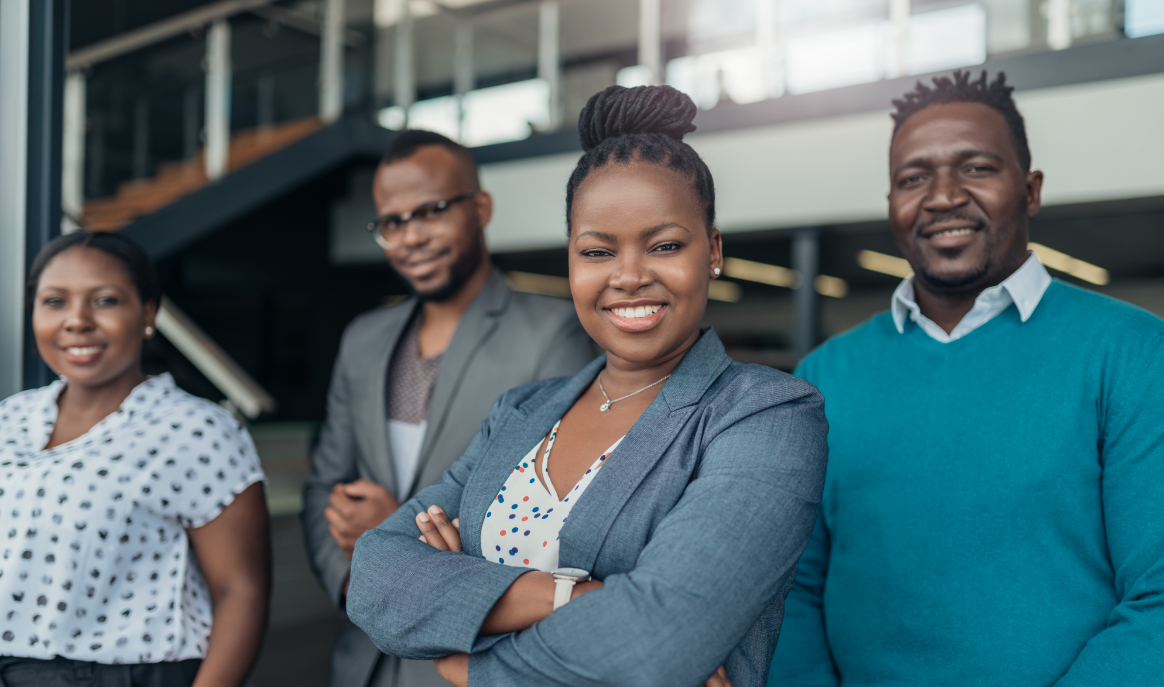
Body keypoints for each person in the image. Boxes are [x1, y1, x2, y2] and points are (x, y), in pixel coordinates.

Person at [345, 85, 829, 687]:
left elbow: (658, 641)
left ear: (714, 252)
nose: (628, 276)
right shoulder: (520, 413)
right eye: (597, 250)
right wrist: (570, 595)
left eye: (665, 245)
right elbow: (376, 572)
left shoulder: (766, 416)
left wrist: (466, 659)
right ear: (572, 261)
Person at [768, 71, 1164, 686]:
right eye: (913, 178)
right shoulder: (823, 378)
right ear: (892, 205)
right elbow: (793, 591)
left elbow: (1159, 601)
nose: (943, 196)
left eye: (976, 168)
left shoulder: (1134, 353)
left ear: (1029, 191)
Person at [303, 129, 595, 687]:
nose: (411, 236)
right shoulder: (363, 338)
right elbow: (325, 486)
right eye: (393, 221)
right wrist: (362, 582)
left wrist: (397, 534)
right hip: (362, 658)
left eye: (431, 211)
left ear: (479, 208)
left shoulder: (554, 334)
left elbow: (561, 513)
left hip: (478, 658)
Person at [0, 231, 270, 686]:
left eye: (104, 301)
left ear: (148, 313)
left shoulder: (195, 430)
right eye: (54, 302)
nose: (77, 321)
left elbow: (241, 592)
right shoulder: (10, 418)